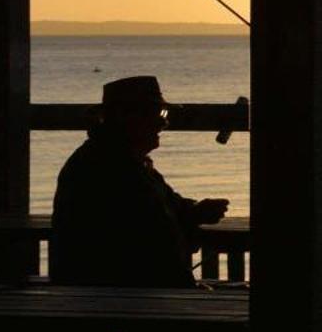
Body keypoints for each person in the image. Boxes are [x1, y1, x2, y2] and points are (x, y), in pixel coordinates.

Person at [51, 76, 227, 287]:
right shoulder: (110, 168)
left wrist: (196, 210)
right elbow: (148, 243)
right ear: (125, 117)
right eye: (156, 114)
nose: (164, 122)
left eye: (164, 114)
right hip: (118, 294)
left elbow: (167, 204)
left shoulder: (123, 160)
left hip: (111, 290)